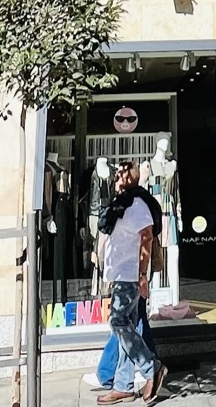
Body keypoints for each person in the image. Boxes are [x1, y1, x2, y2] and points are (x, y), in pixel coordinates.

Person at [84, 160, 160, 391]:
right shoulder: (122, 204)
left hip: (130, 275)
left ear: (129, 178)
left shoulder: (136, 204)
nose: (116, 177)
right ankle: (122, 385)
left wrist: (142, 275)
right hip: (121, 274)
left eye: (119, 175)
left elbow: (146, 237)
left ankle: (151, 367)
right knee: (129, 325)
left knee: (118, 322)